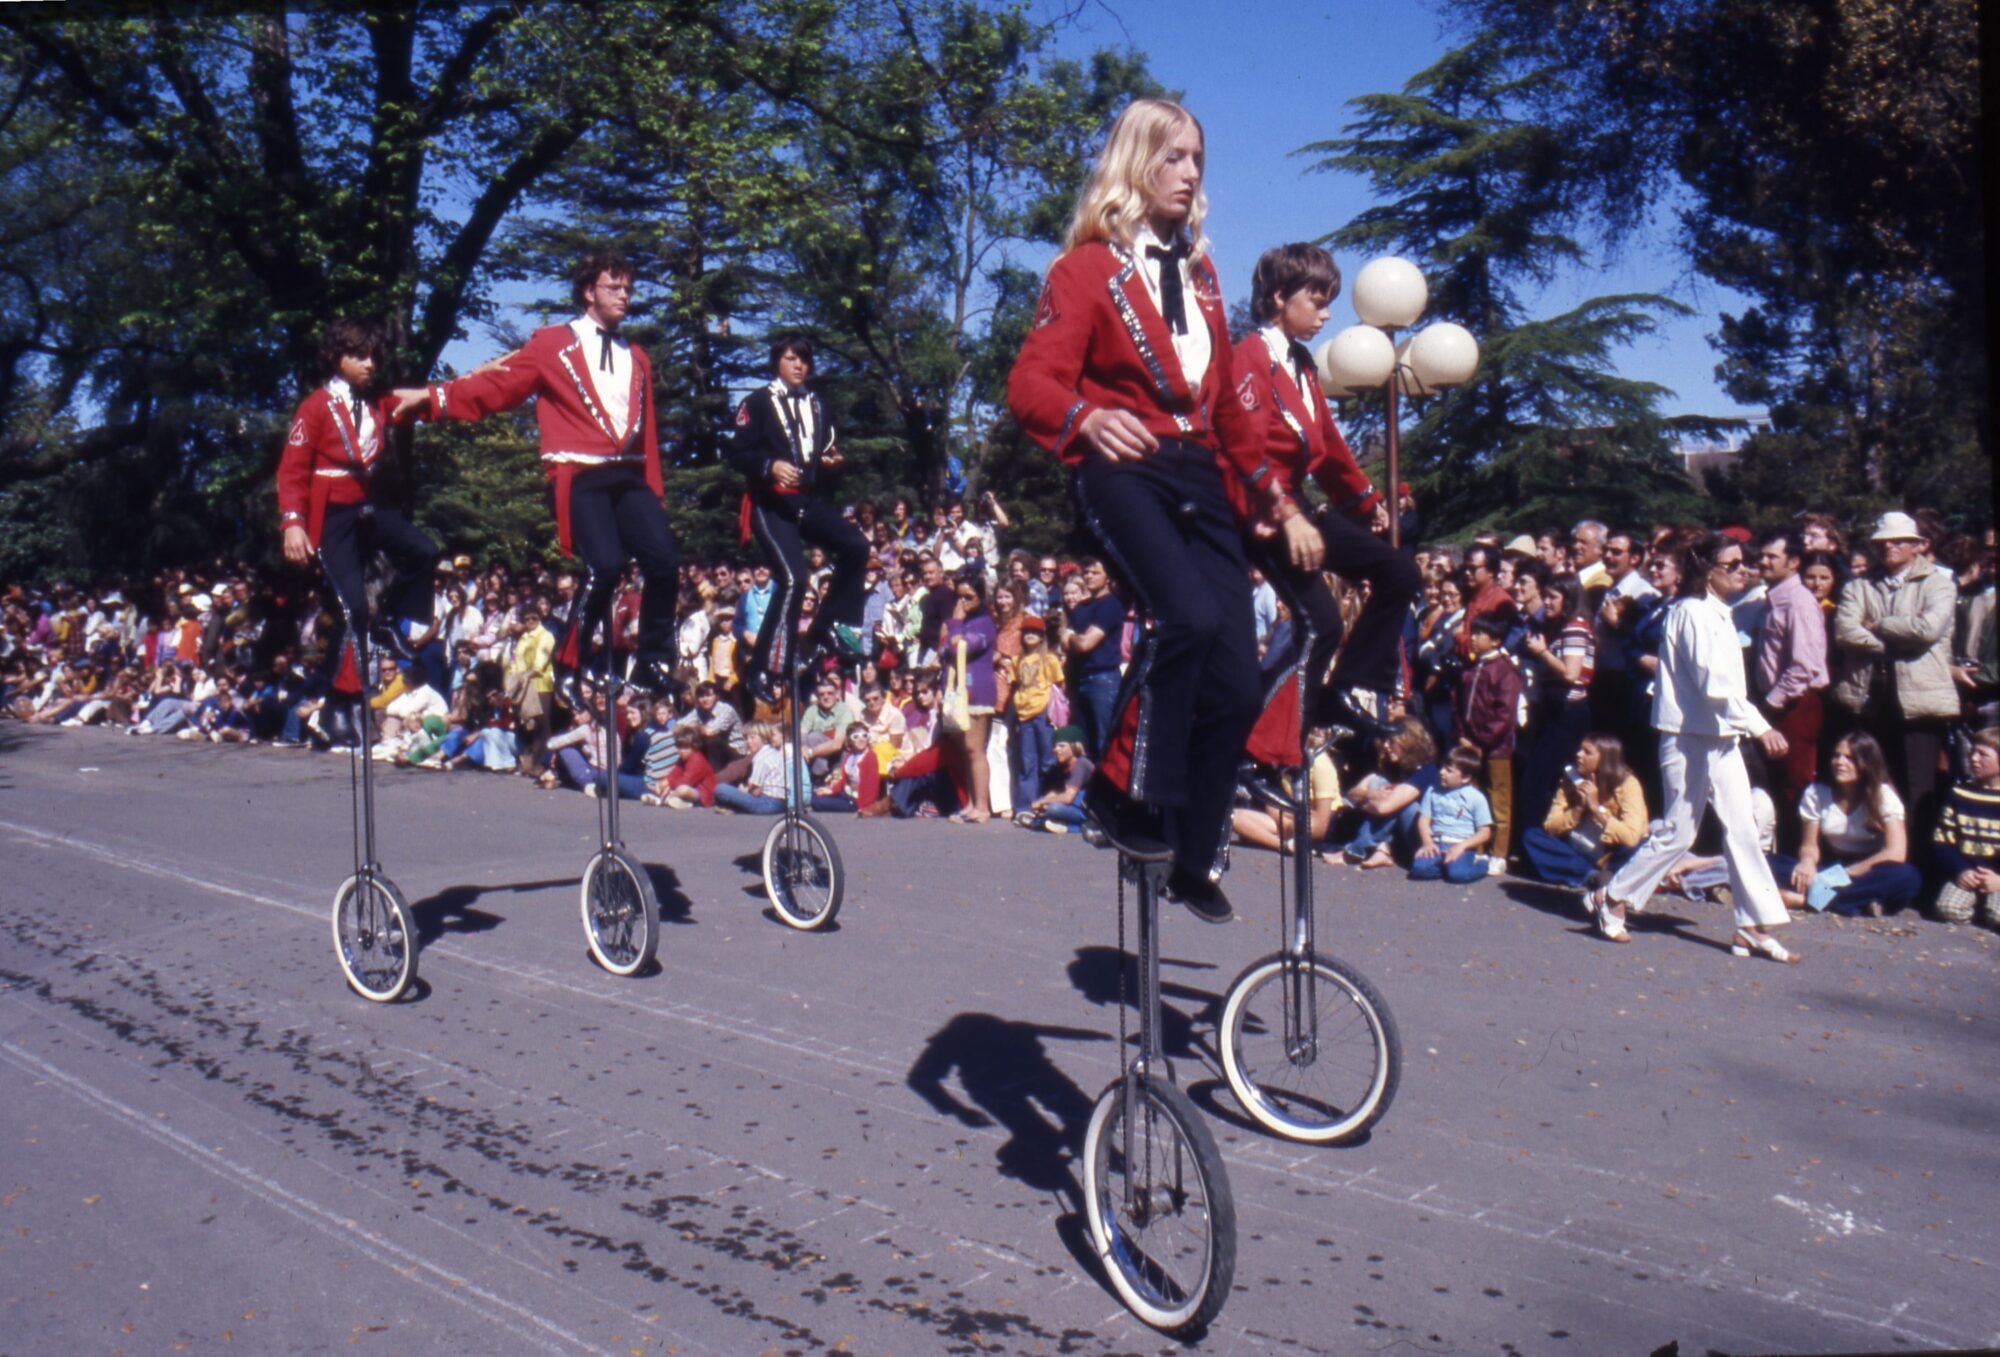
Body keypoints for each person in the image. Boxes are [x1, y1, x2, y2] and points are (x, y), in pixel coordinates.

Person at [1007, 97, 1297, 922]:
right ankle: (1117, 790)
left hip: (1201, 473)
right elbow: (1030, 382)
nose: (1191, 173)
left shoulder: (1203, 274)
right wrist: (1084, 417)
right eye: (1173, 156)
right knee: (1187, 619)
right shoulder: (1084, 269)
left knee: (1238, 683)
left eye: (1197, 158)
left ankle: (1195, 852)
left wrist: (1272, 495)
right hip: (1125, 468)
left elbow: (1229, 409)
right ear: (1136, 163)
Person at [393, 248, 679, 699]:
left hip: (628, 476)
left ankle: (653, 663)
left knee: (664, 561)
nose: (624, 295)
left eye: (628, 288)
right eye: (613, 287)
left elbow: (647, 438)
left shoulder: (637, 356)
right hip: (578, 474)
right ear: (588, 292)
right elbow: (499, 385)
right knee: (605, 566)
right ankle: (569, 665)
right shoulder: (552, 344)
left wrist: (654, 495)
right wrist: (433, 398)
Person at [1231, 242, 1419, 742]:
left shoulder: (1302, 363)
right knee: (1322, 624)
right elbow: (1245, 449)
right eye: (1316, 301)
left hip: (1299, 504)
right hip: (1264, 511)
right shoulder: (1251, 357)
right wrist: (1281, 512)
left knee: (1400, 572)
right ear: (1279, 297)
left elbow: (1328, 444)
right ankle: (1265, 738)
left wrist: (1366, 502)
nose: (1327, 314)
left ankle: (1345, 690)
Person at [1585, 533, 1799, 961]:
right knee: (1679, 832)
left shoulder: (1720, 611)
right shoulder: (1692, 612)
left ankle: (1753, 926)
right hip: (1685, 737)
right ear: (1707, 570)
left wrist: (1746, 727)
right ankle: (1613, 896)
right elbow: (1713, 685)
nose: (1743, 569)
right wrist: (1761, 727)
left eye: (1743, 562)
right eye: (1732, 564)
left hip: (1721, 737)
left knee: (1744, 827)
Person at [277, 317, 438, 746]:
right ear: (337, 358)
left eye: (373, 357)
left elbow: (425, 402)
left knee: (423, 551)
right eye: (358, 356)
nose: (369, 364)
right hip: (331, 514)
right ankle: (339, 702)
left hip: (367, 505)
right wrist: (293, 523)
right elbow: (292, 471)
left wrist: (479, 379)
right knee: (352, 608)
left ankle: (391, 620)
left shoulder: (378, 402)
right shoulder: (315, 406)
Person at [729, 332, 871, 702]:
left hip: (806, 500)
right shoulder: (757, 403)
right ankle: (764, 667)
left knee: (856, 545)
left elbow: (828, 447)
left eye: (804, 360)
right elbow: (738, 453)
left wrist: (833, 461)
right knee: (793, 577)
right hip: (770, 502)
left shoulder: (818, 403)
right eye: (791, 358)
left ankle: (828, 624)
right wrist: (770, 465)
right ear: (776, 362)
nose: (799, 366)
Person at [1830, 512, 1959, 845]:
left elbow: (1928, 629)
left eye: (1898, 541)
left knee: (1917, 789)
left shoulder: (1938, 584)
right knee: (1873, 783)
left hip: (1920, 703)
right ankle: (1879, 854)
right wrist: (1892, 644)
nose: (1888, 547)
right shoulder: (1858, 585)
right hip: (1869, 701)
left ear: (1917, 545)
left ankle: (1916, 862)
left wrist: (1878, 626)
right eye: (1882, 542)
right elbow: (1845, 631)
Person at [1769, 732, 1922, 917]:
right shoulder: (1817, 793)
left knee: (1907, 877)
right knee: (1769, 863)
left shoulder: (1883, 795)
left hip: (1868, 870)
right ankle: (1857, 903)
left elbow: (1896, 853)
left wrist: (1845, 874)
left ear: (1867, 763)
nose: (1840, 762)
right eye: (1836, 756)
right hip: (1827, 867)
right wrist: (1807, 862)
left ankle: (1805, 901)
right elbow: (1809, 845)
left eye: (1850, 758)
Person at [1752, 530, 1831, 843]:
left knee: (1795, 784)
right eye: (1762, 555)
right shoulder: (1772, 600)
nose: (1763, 561)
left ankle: (1797, 853)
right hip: (1777, 703)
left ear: (1794, 562)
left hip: (1796, 705)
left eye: (1772, 556)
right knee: (1775, 783)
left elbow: (1805, 665)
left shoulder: (1799, 602)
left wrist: (1773, 701)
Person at [1520, 733, 1648, 887]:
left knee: (1642, 846)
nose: (1579, 755)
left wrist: (1596, 809)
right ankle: (1590, 875)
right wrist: (1578, 809)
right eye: (1580, 750)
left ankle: (1607, 873)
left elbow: (1631, 837)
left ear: (1604, 759)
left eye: (1587, 752)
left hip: (1609, 853)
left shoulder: (1628, 784)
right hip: (1577, 846)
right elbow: (1550, 826)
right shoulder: (1570, 779)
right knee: (1532, 836)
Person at [1453, 613, 1523, 864]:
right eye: (1472, 633)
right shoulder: (1470, 668)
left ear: (1495, 640)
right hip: (1469, 744)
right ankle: (1477, 847)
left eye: (1479, 634)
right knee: (1474, 797)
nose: (1472, 638)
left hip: (1496, 749)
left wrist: (1482, 742)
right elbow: (1457, 704)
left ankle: (1498, 853)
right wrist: (1462, 736)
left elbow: (1505, 714)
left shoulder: (1505, 671)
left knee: (1498, 800)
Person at [1331, 716, 1439, 868]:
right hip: (1397, 835)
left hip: (1421, 840)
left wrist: (1362, 804)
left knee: (1405, 806)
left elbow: (1383, 808)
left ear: (1408, 742)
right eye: (1385, 740)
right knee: (1377, 781)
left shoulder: (1426, 771)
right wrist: (1370, 795)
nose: (1386, 746)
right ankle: (1383, 850)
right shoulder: (1394, 766)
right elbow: (1350, 795)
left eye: (1392, 741)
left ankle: (1355, 852)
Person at [942, 572, 998, 823]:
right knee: (965, 751)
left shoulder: (985, 623)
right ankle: (971, 803)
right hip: (957, 692)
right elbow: (943, 650)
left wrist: (955, 624)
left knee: (975, 749)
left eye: (969, 597)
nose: (962, 602)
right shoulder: (960, 623)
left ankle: (982, 807)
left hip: (977, 692)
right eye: (959, 597)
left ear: (981, 597)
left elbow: (959, 648)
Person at [1932, 726, 2000, 925]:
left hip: (1997, 875)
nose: (1974, 759)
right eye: (1972, 752)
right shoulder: (1960, 794)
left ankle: (1990, 908)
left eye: (1983, 755)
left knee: (1998, 916)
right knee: (1948, 909)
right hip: (1969, 870)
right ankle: (1979, 908)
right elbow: (1942, 841)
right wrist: (1960, 870)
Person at [1410, 744, 1494, 883]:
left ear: (1465, 777)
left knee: (1459, 875)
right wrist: (1427, 843)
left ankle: (1482, 864)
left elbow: (1485, 832)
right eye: (1442, 767)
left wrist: (1461, 846)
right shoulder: (1432, 791)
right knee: (1418, 869)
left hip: (1461, 846)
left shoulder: (1476, 798)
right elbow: (1423, 820)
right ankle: (1447, 867)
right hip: (1437, 843)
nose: (1441, 772)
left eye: (1449, 770)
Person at [1007, 614, 1064, 812]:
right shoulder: (1017, 660)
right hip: (1024, 715)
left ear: (1042, 637)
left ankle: (1047, 802)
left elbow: (1059, 684)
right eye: (1027, 632)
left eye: (1035, 632)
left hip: (1043, 713)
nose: (1030, 635)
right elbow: (1015, 685)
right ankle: (1025, 807)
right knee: (1027, 763)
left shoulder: (1049, 659)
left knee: (1048, 760)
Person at [1021, 726, 1094, 832]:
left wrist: (1043, 803)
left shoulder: (1081, 764)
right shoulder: (1060, 767)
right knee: (1046, 804)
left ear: (1074, 747)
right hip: (1076, 806)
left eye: (1062, 746)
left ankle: (1069, 826)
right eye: (1054, 746)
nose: (1056, 750)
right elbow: (1056, 792)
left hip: (1092, 811)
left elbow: (1068, 798)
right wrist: (1041, 802)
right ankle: (1050, 821)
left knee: (1053, 808)